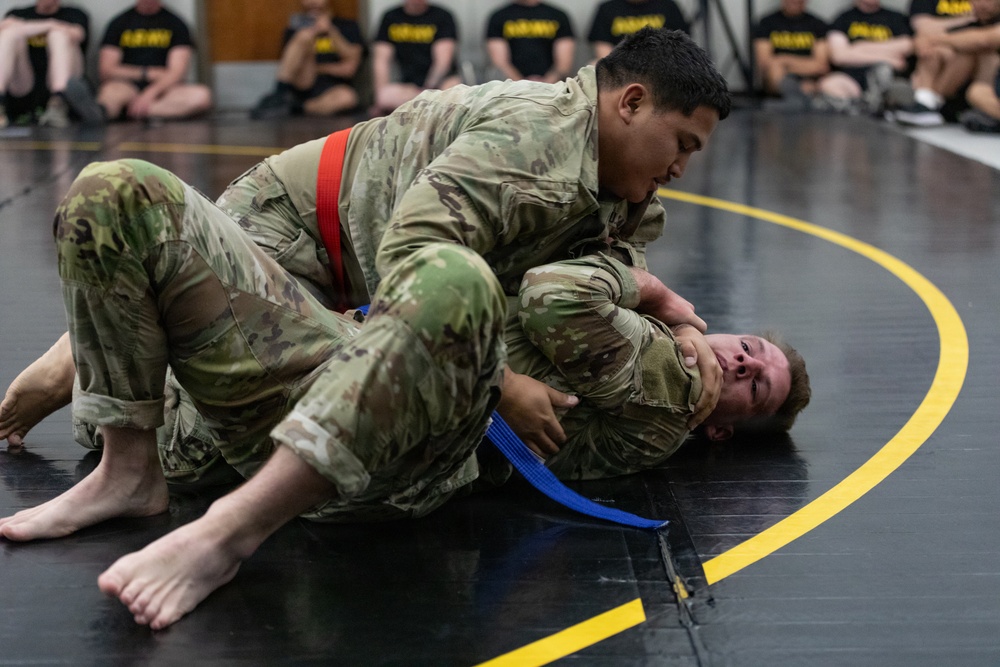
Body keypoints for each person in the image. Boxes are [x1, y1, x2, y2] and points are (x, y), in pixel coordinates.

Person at [0, 28, 735, 629]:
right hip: (304, 239)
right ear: (631, 102)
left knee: (438, 295)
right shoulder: (537, 141)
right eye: (684, 144)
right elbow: (411, 259)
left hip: (357, 329)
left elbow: (600, 262)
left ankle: (170, 451)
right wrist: (502, 384)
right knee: (116, 189)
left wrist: (659, 302)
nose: (681, 167)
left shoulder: (618, 187)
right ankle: (124, 458)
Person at [95, 0, 212, 122]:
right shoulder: (119, 23)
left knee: (202, 96)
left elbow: (177, 72)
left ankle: (131, 112)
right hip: (126, 86)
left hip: (164, 89)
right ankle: (103, 113)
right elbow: (106, 70)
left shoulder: (176, 24)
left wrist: (150, 94)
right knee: (109, 93)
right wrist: (147, 73)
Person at [250, 0, 364, 119]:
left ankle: (296, 108)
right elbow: (289, 66)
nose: (313, 2)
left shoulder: (348, 26)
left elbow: (350, 67)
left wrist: (331, 31)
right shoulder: (295, 29)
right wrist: (312, 32)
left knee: (347, 98)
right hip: (303, 83)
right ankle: (279, 93)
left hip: (332, 88)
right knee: (304, 36)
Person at [895, 0, 995, 126]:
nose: (981, 4)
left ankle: (930, 103)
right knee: (934, 52)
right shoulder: (970, 22)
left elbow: (985, 39)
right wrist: (930, 42)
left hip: (988, 85)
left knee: (976, 54)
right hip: (961, 81)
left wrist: (934, 40)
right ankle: (926, 101)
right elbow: (923, 31)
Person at [0, 0, 94, 128]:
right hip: (24, 83)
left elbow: (77, 34)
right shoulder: (17, 13)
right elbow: (4, 27)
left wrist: (26, 27)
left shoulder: (75, 14)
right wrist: (51, 24)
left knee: (59, 36)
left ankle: (58, 103)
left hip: (62, 82)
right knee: (9, 34)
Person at [820, 0, 914, 114]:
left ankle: (875, 104)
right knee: (829, 84)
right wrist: (887, 57)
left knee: (884, 71)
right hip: (853, 79)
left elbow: (907, 46)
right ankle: (865, 106)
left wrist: (860, 47)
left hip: (888, 78)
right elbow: (839, 56)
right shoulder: (844, 18)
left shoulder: (896, 18)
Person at [370, 0, 461, 116]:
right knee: (385, 96)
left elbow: (442, 63)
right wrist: (378, 99)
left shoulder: (442, 16)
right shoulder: (391, 17)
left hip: (438, 85)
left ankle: (422, 106)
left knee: (452, 92)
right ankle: (424, 106)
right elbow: (381, 61)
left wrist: (427, 90)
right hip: (408, 87)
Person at [752, 0, 833, 111]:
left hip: (808, 82)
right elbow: (765, 63)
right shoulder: (766, 23)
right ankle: (798, 99)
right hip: (777, 80)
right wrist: (803, 65)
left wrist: (784, 61)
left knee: (779, 66)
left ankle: (794, 99)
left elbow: (821, 66)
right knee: (774, 68)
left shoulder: (818, 24)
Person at [485, 0, 575, 83]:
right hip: (511, 88)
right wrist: (523, 86)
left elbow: (564, 64)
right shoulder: (498, 17)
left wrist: (544, 85)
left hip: (553, 88)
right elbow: (500, 63)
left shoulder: (558, 16)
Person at [588, 0, 689, 61]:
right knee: (595, 64)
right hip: (621, 69)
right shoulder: (607, 9)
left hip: (664, 65)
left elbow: (681, 46)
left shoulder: (669, 6)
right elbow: (604, 54)